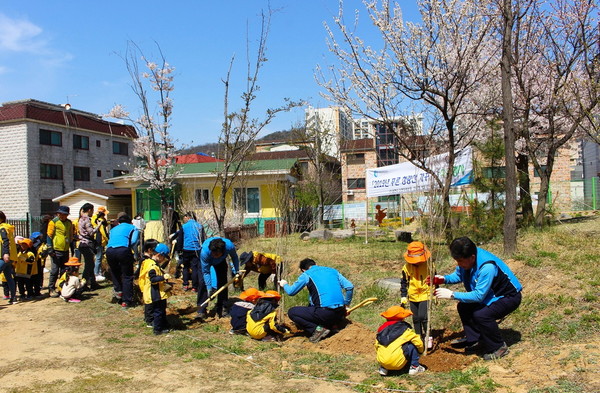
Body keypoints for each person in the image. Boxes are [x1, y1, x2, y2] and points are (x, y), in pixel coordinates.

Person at [432, 236, 523, 361]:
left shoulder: (487, 267)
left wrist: (452, 294)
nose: (458, 264)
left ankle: (498, 347)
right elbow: (459, 275)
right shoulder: (468, 258)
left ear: (472, 257)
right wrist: (444, 279)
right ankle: (475, 340)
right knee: (463, 306)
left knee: (482, 315)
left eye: (460, 261)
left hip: (508, 297)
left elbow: (479, 296)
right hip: (490, 296)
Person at [278, 258, 354, 343]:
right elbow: (349, 287)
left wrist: (284, 284)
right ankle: (333, 326)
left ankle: (317, 330)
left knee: (292, 312)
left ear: (303, 270)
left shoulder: (307, 274)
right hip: (340, 313)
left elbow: (291, 292)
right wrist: (346, 305)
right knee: (311, 306)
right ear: (315, 264)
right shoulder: (333, 271)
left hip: (325, 313)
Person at [196, 237, 240, 320]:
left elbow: (234, 257)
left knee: (223, 283)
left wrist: (237, 270)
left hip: (221, 262)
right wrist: (209, 288)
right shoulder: (205, 252)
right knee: (202, 283)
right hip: (206, 261)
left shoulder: (229, 246)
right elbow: (206, 272)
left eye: (216, 254)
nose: (214, 255)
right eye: (213, 253)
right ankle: (201, 310)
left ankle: (222, 308)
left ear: (223, 251)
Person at [400, 241, 434, 348]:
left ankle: (428, 337)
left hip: (426, 294)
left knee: (423, 316)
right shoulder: (406, 268)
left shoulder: (429, 265)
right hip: (413, 295)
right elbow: (404, 282)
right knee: (415, 318)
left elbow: (435, 279)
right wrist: (403, 296)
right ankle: (418, 337)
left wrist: (436, 292)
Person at [375, 305, 425, 376]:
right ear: (402, 318)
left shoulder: (381, 330)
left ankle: (384, 368)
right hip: (398, 364)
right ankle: (414, 367)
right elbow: (418, 342)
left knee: (383, 347)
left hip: (383, 361)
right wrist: (420, 351)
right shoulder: (405, 330)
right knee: (412, 344)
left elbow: (376, 346)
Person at [105, 214, 139, 308]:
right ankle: (126, 301)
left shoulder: (113, 229)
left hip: (110, 251)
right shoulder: (133, 228)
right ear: (130, 221)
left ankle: (118, 291)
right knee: (127, 275)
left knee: (115, 272)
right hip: (123, 250)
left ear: (119, 222)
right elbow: (133, 241)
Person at [139, 242, 172, 335]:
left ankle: (163, 324)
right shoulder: (152, 266)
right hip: (154, 293)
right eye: (163, 257)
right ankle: (158, 329)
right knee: (158, 311)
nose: (163, 260)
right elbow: (153, 279)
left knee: (162, 309)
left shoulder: (150, 262)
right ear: (158, 255)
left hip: (158, 291)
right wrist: (163, 277)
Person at [47, 206, 74, 298]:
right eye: (60, 214)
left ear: (66, 215)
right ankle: (51, 289)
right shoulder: (53, 222)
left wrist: (72, 246)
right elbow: (49, 236)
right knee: (54, 270)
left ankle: (61, 287)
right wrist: (50, 248)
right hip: (56, 250)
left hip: (65, 249)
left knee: (64, 270)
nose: (61, 216)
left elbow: (70, 235)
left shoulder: (69, 223)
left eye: (63, 214)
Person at [176, 212, 206, 292]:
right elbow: (202, 239)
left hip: (186, 249)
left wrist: (179, 250)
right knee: (195, 268)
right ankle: (194, 287)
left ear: (188, 217)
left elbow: (180, 239)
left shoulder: (184, 226)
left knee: (186, 267)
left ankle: (185, 285)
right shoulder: (199, 226)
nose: (184, 219)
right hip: (196, 249)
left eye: (185, 217)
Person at [137, 238, 160, 328]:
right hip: (147, 283)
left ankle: (149, 318)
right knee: (149, 301)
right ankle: (149, 320)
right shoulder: (146, 260)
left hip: (147, 283)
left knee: (149, 301)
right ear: (150, 250)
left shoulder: (145, 259)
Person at [77, 203, 100, 290]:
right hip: (87, 244)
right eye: (92, 210)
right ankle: (83, 284)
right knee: (89, 265)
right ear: (89, 210)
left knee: (90, 264)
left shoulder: (80, 218)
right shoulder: (86, 219)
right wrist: (98, 226)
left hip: (82, 244)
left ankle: (92, 283)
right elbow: (91, 233)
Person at [0, 211, 17, 304]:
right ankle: (13, 298)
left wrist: (5, 253)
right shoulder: (7, 228)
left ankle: (13, 297)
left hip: (4, 257)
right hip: (10, 256)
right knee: (8, 277)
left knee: (8, 277)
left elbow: (5, 241)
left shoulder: (2, 228)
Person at [91, 206, 110, 282]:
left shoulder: (95, 218)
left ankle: (98, 272)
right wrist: (107, 240)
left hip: (97, 241)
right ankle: (96, 274)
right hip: (99, 241)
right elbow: (103, 232)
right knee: (98, 258)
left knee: (98, 258)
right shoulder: (99, 220)